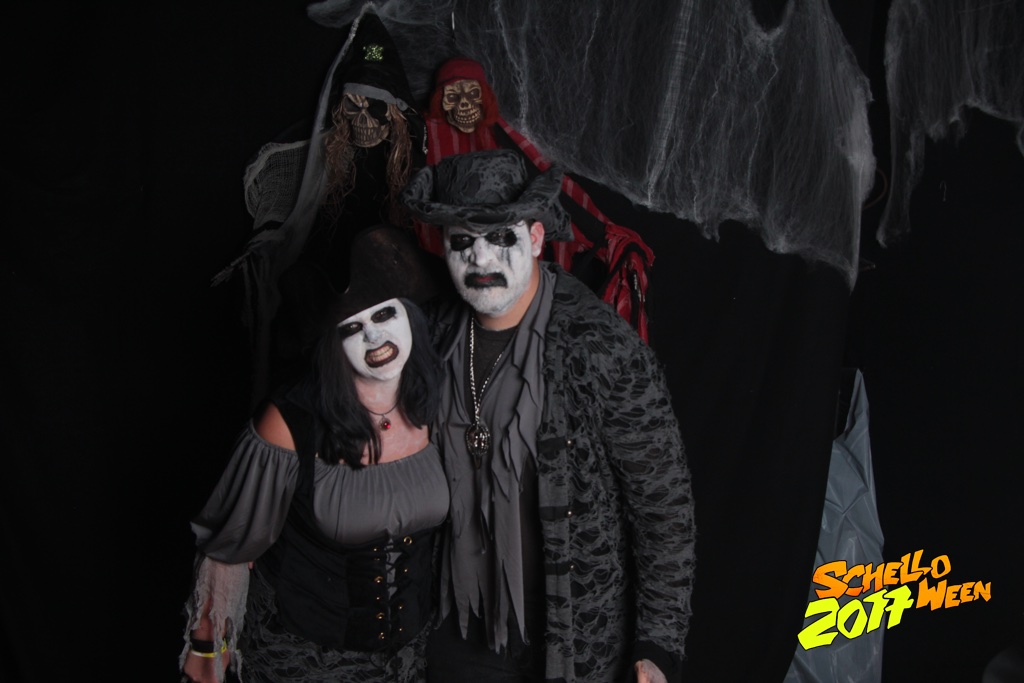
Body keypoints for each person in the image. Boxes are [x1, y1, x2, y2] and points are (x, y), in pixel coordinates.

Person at [401, 149, 695, 682]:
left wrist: (657, 646)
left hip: (566, 640)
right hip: (452, 631)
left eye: (501, 238)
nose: (481, 259)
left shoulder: (600, 347)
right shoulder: (429, 336)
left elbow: (664, 509)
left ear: (537, 238)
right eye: (462, 242)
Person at [181, 225, 448, 683]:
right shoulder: (287, 423)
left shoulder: (439, 406)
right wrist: (208, 654)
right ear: (331, 345)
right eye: (352, 327)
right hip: (305, 657)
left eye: (385, 313)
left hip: (409, 658)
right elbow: (229, 550)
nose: (373, 335)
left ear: (411, 317)